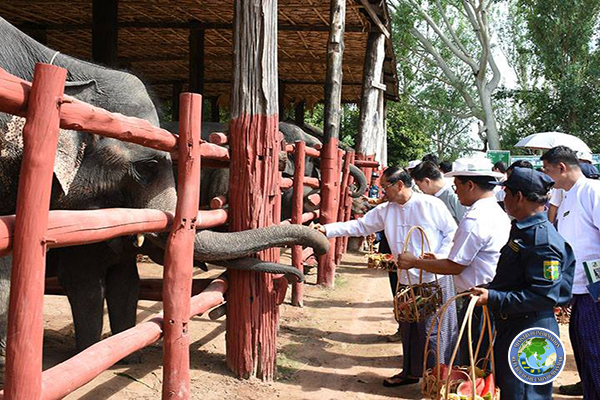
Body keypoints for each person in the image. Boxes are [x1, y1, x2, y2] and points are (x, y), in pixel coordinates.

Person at [313, 166, 458, 387]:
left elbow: (452, 232)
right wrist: (327, 230)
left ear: (400, 185)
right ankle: (410, 373)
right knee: (408, 328)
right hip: (405, 280)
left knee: (434, 332)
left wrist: (439, 256)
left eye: (385, 187)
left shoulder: (430, 204)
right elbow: (360, 226)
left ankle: (437, 381)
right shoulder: (386, 210)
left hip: (433, 278)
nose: (382, 192)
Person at [472, 167, 575, 400]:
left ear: (518, 197)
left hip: (531, 334)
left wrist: (494, 298)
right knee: (511, 391)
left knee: (525, 395)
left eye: (506, 193)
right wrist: (492, 290)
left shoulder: (542, 240)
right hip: (515, 326)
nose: (504, 199)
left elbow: (545, 295)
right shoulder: (522, 229)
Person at [399, 157, 511, 366]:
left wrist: (415, 262)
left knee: (474, 354)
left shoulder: (476, 218)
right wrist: (439, 259)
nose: (455, 190)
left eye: (457, 185)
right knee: (483, 352)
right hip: (490, 291)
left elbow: (456, 266)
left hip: (478, 297)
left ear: (470, 185)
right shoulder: (495, 211)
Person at [540, 146, 600, 399]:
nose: (545, 176)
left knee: (594, 352)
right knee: (585, 351)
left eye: (547, 170)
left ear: (562, 168)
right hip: (579, 289)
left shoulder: (592, 192)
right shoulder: (567, 195)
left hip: (594, 291)